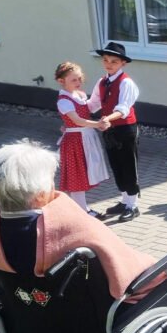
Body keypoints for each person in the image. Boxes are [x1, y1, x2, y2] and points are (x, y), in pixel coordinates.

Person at [0, 140, 167, 303]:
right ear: (40, 195)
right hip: (87, 322)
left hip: (26, 320)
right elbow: (125, 268)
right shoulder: (71, 227)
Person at [88, 42, 141, 222]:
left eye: (114, 61)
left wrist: (107, 119)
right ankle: (124, 201)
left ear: (122, 63)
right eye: (106, 60)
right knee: (116, 165)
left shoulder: (126, 82)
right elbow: (93, 104)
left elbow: (123, 108)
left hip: (125, 129)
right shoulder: (102, 82)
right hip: (109, 129)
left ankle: (133, 206)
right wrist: (74, 109)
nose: (109, 64)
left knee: (128, 165)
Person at [54, 61, 110, 217]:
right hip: (75, 141)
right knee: (77, 175)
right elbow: (77, 120)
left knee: (84, 173)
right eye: (74, 80)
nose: (78, 82)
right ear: (61, 81)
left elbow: (86, 111)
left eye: (79, 78)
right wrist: (97, 124)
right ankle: (82, 211)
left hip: (84, 138)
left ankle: (81, 208)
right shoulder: (64, 100)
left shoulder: (79, 95)